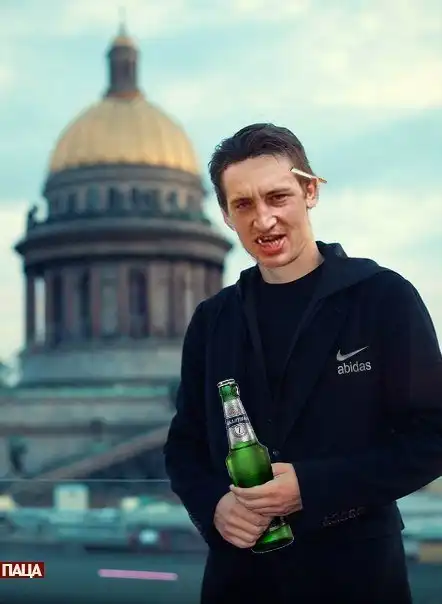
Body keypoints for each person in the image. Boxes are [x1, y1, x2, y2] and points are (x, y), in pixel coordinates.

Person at [163, 123, 442, 603]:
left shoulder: (383, 298)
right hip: (239, 581)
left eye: (278, 197)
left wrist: (311, 487)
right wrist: (214, 506)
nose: (264, 220)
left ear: (310, 192)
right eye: (243, 205)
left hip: (355, 578)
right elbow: (184, 446)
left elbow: (434, 437)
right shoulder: (212, 321)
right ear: (226, 216)